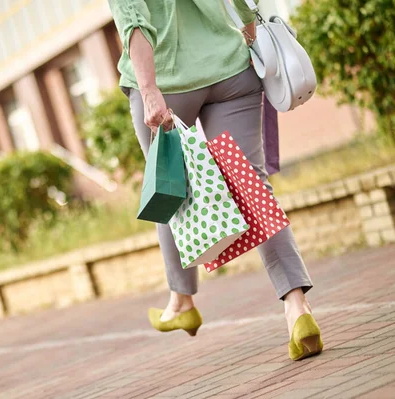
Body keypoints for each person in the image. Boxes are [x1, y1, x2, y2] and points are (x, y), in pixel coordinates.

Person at [108, 0, 323, 361]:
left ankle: (182, 302)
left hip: (167, 82)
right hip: (230, 69)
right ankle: (297, 308)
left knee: (169, 188)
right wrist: (249, 35)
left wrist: (147, 91)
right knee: (251, 186)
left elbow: (135, 24)